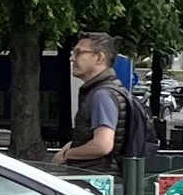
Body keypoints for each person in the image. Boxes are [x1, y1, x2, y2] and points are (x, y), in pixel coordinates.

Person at [53, 33, 154, 168]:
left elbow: (102, 145)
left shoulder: (102, 95)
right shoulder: (110, 90)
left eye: (78, 53)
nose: (72, 58)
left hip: (97, 180)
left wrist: (66, 155)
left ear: (100, 58)